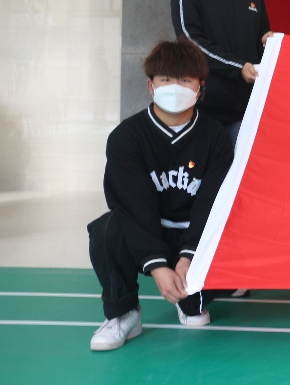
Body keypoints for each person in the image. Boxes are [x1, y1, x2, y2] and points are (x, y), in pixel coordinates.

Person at [87, 40, 234, 351]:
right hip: (148, 231)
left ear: (200, 87)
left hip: (194, 236)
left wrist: (189, 256)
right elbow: (131, 207)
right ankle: (123, 313)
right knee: (107, 229)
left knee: (237, 236)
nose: (175, 87)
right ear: (150, 86)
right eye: (166, 79)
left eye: (185, 80)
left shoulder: (216, 138)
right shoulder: (126, 137)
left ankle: (192, 297)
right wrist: (156, 264)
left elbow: (212, 205)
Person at [171, 0, 272, 143]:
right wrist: (238, 67)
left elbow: (260, 48)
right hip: (204, 109)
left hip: (246, 111)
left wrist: (269, 43)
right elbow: (190, 41)